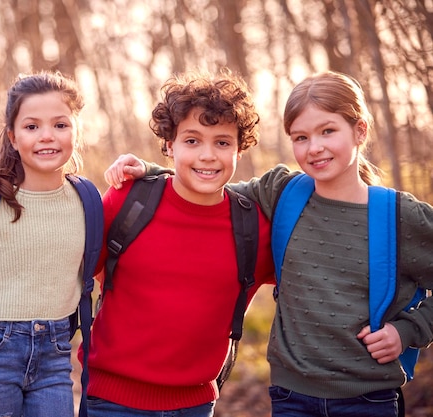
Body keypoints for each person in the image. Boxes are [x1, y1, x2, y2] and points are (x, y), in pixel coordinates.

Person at [105, 71, 433, 417]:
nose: (315, 147)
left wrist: (409, 329)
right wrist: (152, 170)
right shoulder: (282, 192)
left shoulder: (398, 216)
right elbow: (209, 185)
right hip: (290, 397)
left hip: (369, 398)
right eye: (301, 137)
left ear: (360, 131)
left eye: (328, 131)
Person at [85, 69, 275, 417]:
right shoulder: (127, 200)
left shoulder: (254, 227)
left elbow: (317, 280)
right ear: (169, 145)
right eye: (192, 140)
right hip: (111, 401)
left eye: (222, 142)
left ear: (239, 149)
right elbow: (71, 273)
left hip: (196, 405)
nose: (207, 155)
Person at [0, 71, 95, 417]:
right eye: (31, 127)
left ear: (77, 131)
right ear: (12, 136)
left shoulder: (87, 201)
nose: (47, 137)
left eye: (60, 125)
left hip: (55, 352)